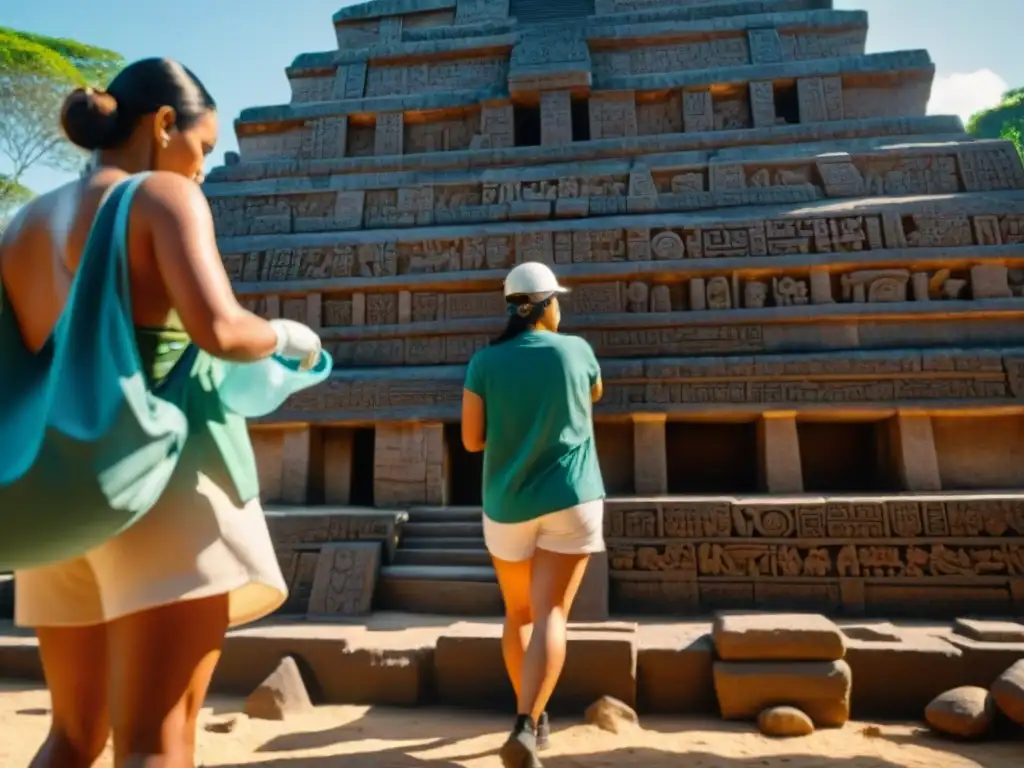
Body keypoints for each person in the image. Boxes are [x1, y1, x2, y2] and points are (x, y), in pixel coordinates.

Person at [0, 58, 323, 767]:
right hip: (162, 489)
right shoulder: (160, 199)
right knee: (159, 740)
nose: (203, 168)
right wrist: (291, 339)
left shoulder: (22, 223)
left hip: (62, 499)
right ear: (165, 123)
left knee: (73, 738)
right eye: (203, 148)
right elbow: (220, 328)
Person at [461, 261, 606, 768]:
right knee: (552, 613)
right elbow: (593, 398)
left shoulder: (484, 362)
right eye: (557, 300)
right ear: (545, 306)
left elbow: (471, 439)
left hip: (506, 504)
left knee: (519, 613)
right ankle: (529, 719)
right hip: (572, 497)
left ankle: (531, 717)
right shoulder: (579, 351)